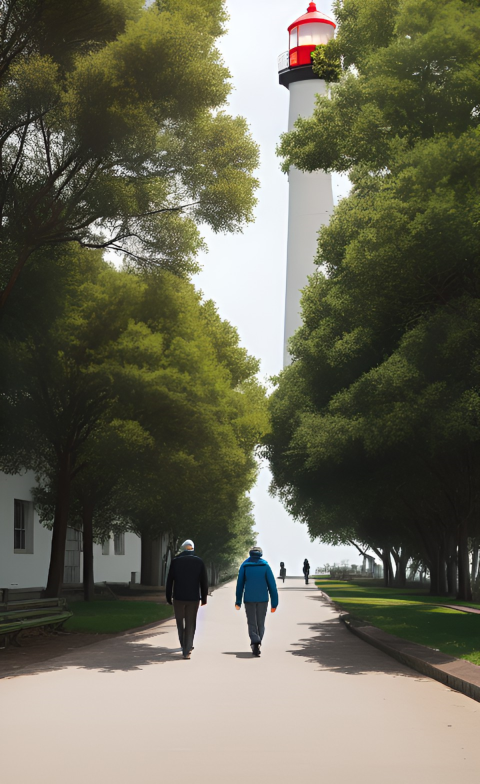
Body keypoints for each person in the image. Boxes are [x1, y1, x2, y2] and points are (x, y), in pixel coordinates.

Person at [166, 539, 208, 659]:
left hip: (178, 597)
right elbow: (204, 582)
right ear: (193, 548)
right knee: (191, 623)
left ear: (182, 548)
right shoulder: (199, 562)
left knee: (180, 622)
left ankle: (183, 645)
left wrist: (168, 596)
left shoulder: (175, 562)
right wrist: (204, 598)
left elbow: (169, 581)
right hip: (193, 598)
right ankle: (187, 649)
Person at [235, 546, 278, 657]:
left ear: (250, 554)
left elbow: (240, 585)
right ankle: (258, 641)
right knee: (261, 622)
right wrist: (274, 603)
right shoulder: (265, 566)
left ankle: (255, 641)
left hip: (249, 599)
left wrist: (238, 601)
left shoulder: (245, 566)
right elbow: (272, 586)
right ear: (260, 554)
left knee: (251, 622)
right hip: (263, 599)